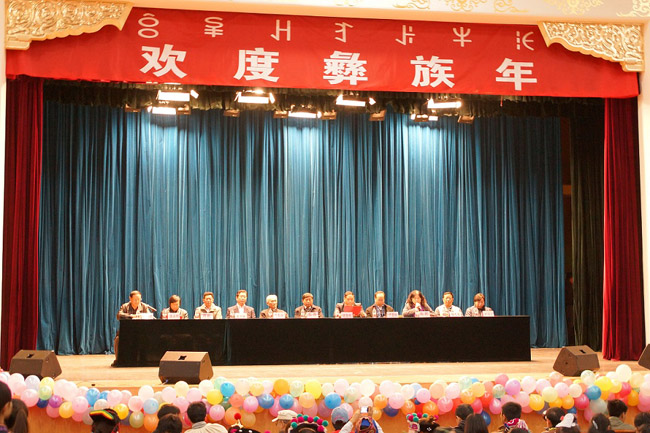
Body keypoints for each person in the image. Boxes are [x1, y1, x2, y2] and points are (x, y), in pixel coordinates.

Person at [113, 290, 155, 366]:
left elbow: (151, 317)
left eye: (139, 299)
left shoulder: (144, 306)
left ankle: (145, 360)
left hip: (141, 332)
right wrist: (131, 316)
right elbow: (119, 315)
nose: (137, 301)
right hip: (127, 332)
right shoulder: (125, 306)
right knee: (117, 339)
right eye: (135, 299)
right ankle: (118, 359)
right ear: (130, 298)